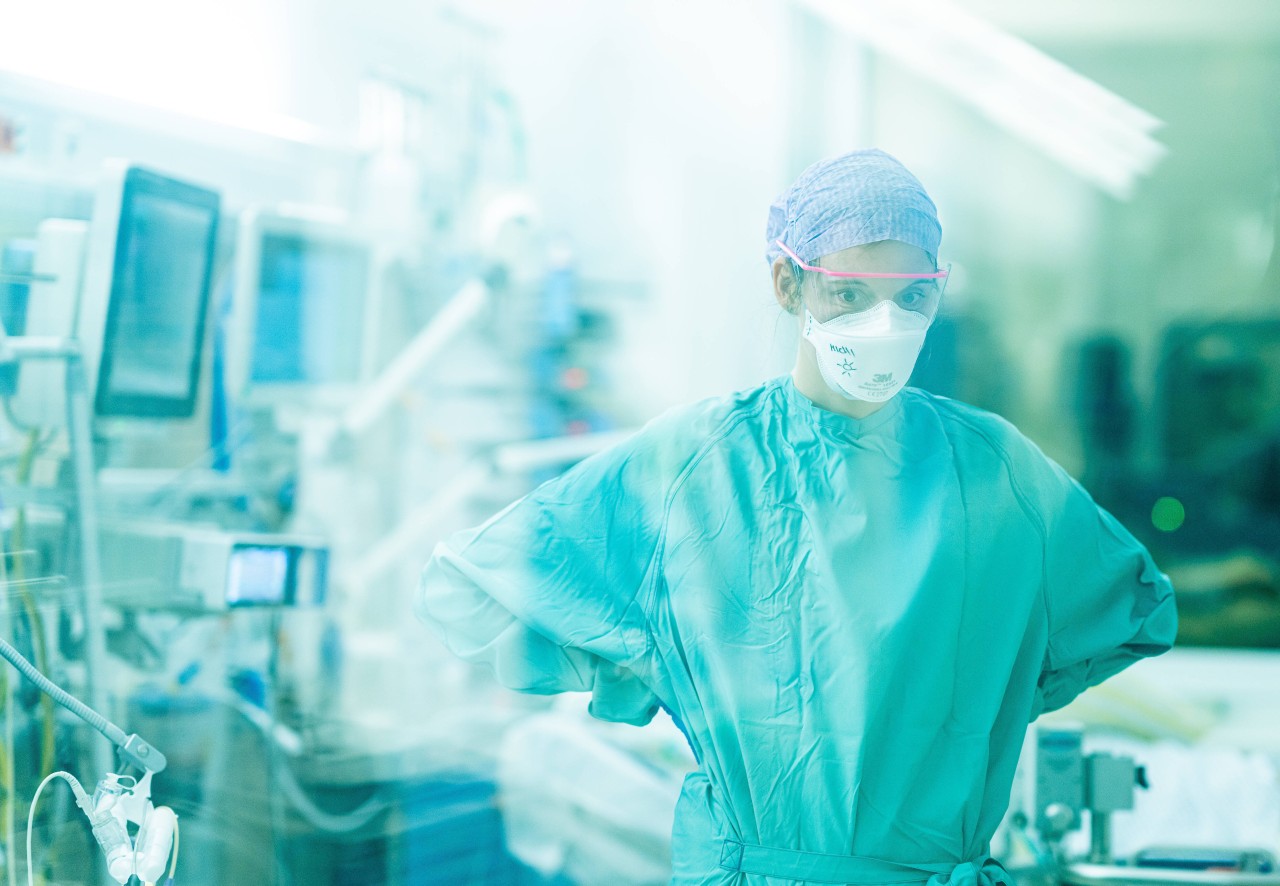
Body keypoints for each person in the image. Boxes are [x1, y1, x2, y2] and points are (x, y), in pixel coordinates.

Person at [416, 149, 1178, 886]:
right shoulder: (695, 466)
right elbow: (472, 586)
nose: (885, 321)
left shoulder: (995, 473)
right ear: (788, 283)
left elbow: (1134, 607)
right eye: (850, 292)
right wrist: (645, 657)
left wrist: (977, 697)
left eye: (911, 295)